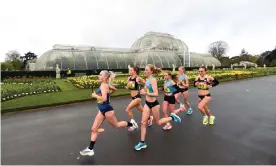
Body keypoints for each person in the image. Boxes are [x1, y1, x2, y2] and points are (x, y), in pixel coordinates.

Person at [80, 70, 137, 156]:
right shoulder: (105, 85)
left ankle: (131, 124)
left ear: (105, 77)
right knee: (94, 129)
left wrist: (95, 96)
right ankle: (90, 149)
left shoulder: (104, 85)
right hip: (102, 110)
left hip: (107, 110)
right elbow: (114, 89)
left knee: (116, 125)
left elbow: (104, 99)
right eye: (99, 75)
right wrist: (109, 93)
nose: (98, 76)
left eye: (100, 75)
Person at [134, 64, 182, 151]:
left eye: (147, 70)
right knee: (143, 122)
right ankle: (142, 142)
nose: (145, 71)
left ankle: (172, 117)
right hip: (147, 103)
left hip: (154, 104)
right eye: (144, 70)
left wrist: (145, 93)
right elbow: (147, 89)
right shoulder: (147, 79)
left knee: (158, 123)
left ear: (151, 71)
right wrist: (143, 89)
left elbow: (156, 94)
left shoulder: (153, 80)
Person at [125, 65, 145, 131]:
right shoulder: (129, 78)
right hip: (133, 97)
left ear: (135, 71)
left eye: (131, 70)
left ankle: (134, 124)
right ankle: (150, 117)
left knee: (128, 109)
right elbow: (127, 88)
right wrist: (127, 85)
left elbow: (146, 83)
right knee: (142, 110)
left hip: (137, 97)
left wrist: (143, 89)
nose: (130, 71)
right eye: (129, 70)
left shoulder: (138, 78)